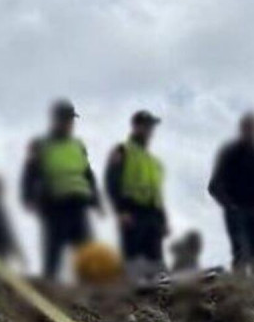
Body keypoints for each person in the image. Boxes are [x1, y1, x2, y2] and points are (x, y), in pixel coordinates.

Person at [20, 100, 102, 281]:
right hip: (54, 206)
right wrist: (27, 197)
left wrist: (96, 200)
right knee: (53, 254)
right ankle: (49, 289)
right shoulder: (42, 144)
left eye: (71, 120)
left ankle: (91, 289)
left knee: (87, 253)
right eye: (66, 119)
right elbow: (30, 172)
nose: (69, 124)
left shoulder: (78, 146)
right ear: (56, 120)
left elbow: (87, 174)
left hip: (78, 206)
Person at [208, 113, 254, 274]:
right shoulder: (230, 153)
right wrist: (229, 205)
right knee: (240, 252)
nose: (250, 132)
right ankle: (238, 285)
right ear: (241, 129)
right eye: (247, 128)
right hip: (236, 211)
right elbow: (214, 185)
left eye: (253, 128)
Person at [105, 110, 168, 271]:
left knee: (156, 264)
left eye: (151, 127)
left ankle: (158, 284)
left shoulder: (153, 161)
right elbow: (112, 181)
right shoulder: (123, 150)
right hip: (132, 213)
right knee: (133, 262)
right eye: (146, 126)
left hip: (152, 217)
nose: (150, 130)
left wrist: (163, 220)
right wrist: (120, 210)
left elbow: (157, 194)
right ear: (136, 127)